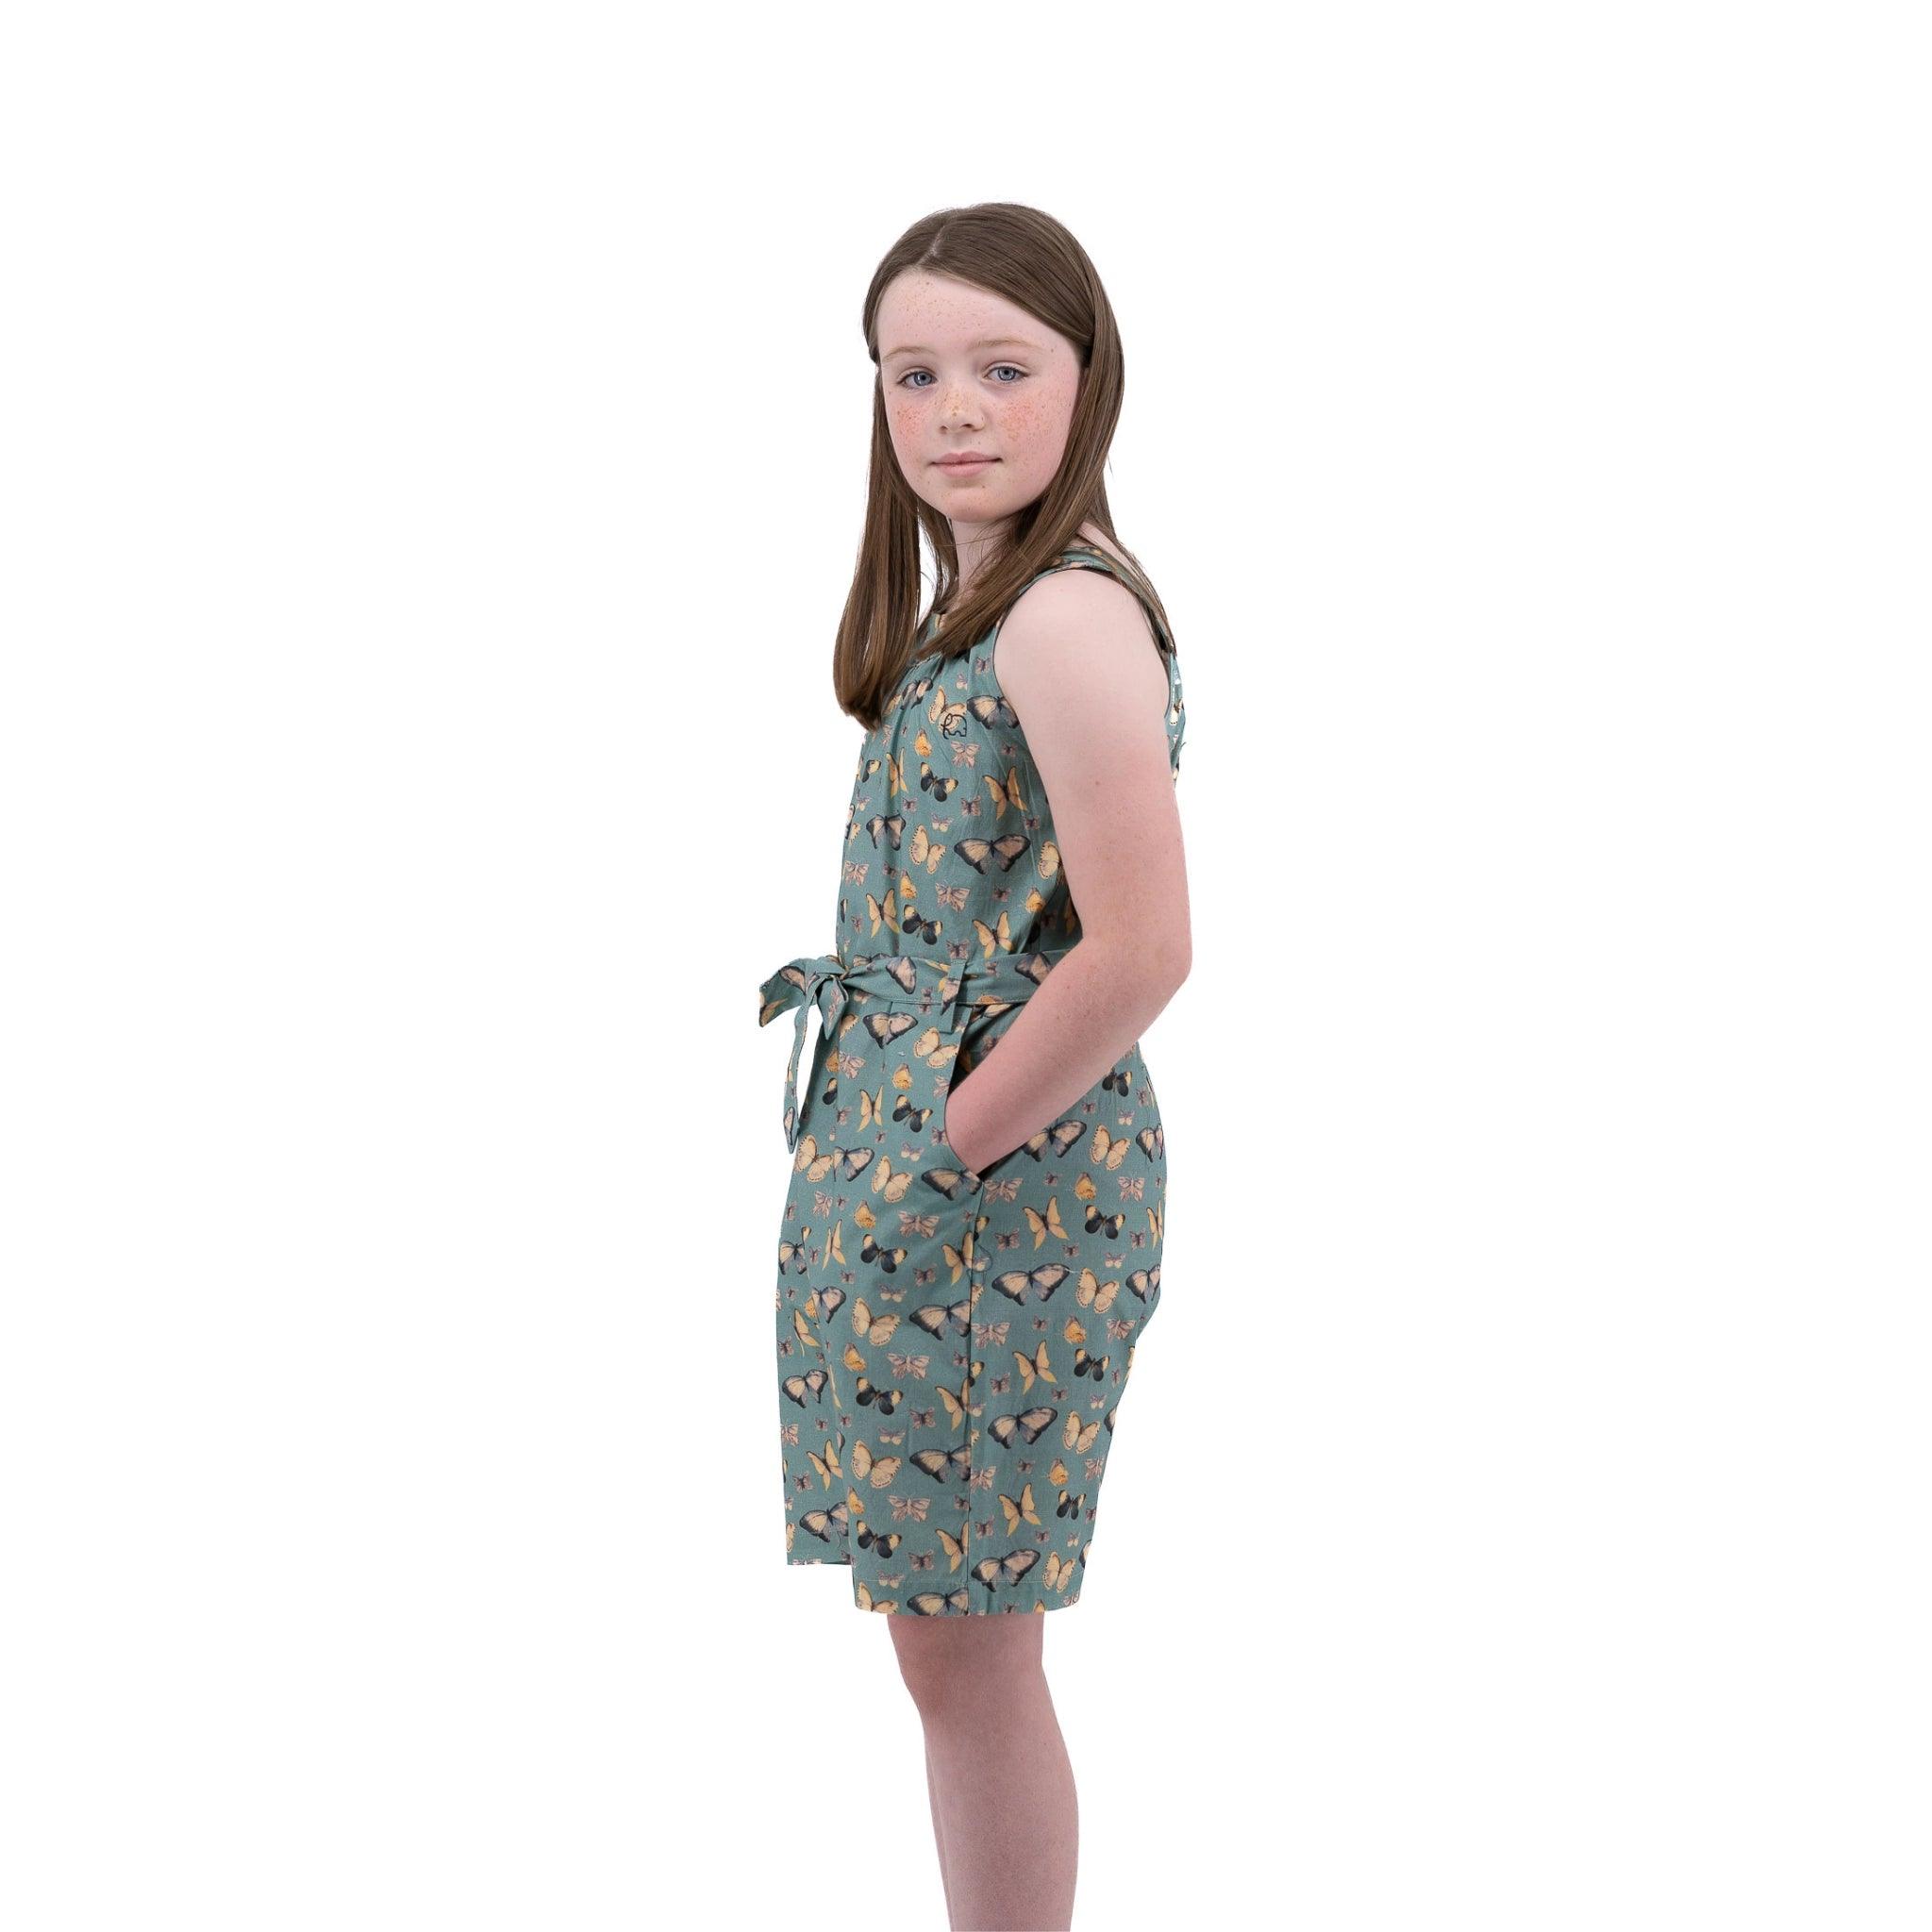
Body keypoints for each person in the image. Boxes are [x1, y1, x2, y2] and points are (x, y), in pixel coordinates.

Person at [756, 202, 1191, 1932]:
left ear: (1087, 384)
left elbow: (1145, 949)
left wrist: (951, 1140)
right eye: (912, 374)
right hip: (921, 1185)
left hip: (995, 1194)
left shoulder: (1066, 622)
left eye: (1003, 369)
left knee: (974, 1659)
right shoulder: (971, 613)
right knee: (947, 1652)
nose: (953, 411)